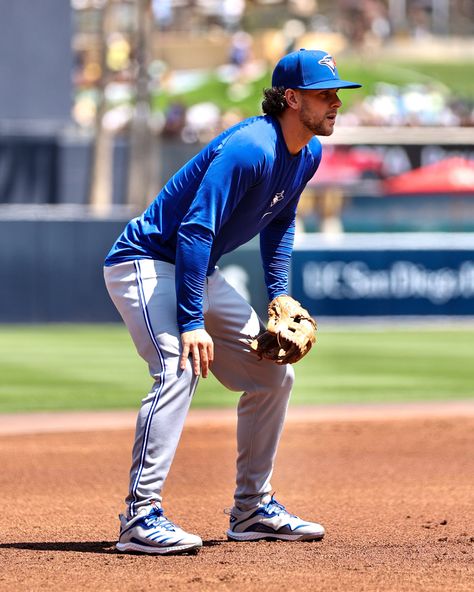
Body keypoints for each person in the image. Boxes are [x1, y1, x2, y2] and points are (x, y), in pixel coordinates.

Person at [104, 48, 361, 555]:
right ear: (291, 98)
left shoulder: (307, 152)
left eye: (337, 94)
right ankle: (140, 516)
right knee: (178, 364)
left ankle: (252, 508)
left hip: (199, 266)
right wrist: (192, 321)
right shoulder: (250, 147)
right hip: (146, 260)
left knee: (273, 373)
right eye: (323, 94)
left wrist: (279, 293)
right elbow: (195, 231)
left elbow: (280, 223)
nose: (335, 102)